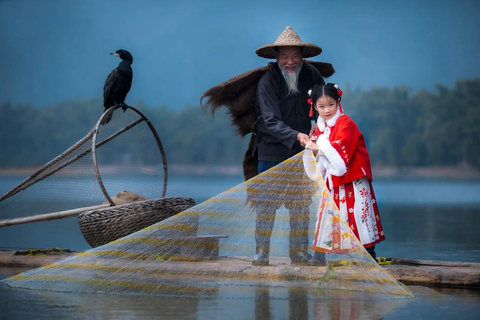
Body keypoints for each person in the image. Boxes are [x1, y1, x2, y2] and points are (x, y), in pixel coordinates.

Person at [251, 26, 326, 266]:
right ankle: (262, 253)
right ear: (276, 57)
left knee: (301, 203)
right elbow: (271, 121)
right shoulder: (268, 81)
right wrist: (298, 136)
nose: (290, 62)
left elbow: (324, 104)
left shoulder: (313, 75)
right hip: (272, 149)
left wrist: (318, 124)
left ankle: (299, 253)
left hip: (303, 152)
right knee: (266, 204)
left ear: (303, 57)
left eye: (295, 56)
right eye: (285, 57)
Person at [305, 83, 385, 259]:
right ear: (314, 107)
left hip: (354, 178)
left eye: (331, 104)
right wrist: (315, 145)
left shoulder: (346, 123)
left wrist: (319, 147)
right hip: (337, 180)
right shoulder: (321, 129)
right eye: (321, 106)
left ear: (338, 101)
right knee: (332, 213)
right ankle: (322, 254)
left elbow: (339, 153)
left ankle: (369, 255)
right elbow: (322, 155)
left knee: (358, 214)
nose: (327, 110)